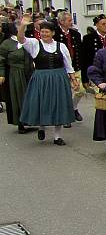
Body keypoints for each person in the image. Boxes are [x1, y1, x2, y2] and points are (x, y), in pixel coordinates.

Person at [16, 15, 78, 145]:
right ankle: (42, 127)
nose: (44, 34)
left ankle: (57, 136)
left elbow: (68, 65)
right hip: (41, 78)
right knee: (42, 103)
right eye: (42, 32)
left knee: (58, 105)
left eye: (47, 32)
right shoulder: (34, 44)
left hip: (59, 77)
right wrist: (23, 25)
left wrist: (74, 80)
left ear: (53, 33)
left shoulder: (61, 46)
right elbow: (20, 39)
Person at [0, 22, 34, 133]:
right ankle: (20, 123)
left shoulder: (28, 41)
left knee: (31, 97)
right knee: (19, 98)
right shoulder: (7, 44)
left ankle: (31, 120)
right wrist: (2, 74)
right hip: (16, 73)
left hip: (29, 72)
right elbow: (1, 60)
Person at [57, 11, 84, 122]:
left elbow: (79, 50)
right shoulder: (54, 34)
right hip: (61, 68)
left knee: (80, 90)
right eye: (69, 20)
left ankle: (73, 108)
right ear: (62, 21)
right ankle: (65, 115)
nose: (71, 22)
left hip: (75, 67)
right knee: (65, 93)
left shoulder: (75, 34)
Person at [80, 14, 106, 92]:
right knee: (99, 99)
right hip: (96, 73)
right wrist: (85, 79)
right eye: (103, 24)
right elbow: (84, 60)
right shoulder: (88, 38)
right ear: (97, 25)